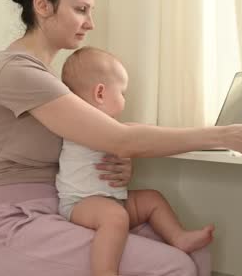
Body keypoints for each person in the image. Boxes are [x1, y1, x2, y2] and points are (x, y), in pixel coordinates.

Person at [0, 0, 242, 276]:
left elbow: (102, 140)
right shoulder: (17, 72)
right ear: (42, 5)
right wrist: (221, 135)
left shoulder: (49, 79)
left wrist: (111, 162)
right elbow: (120, 136)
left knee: (194, 255)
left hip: (52, 210)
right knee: (174, 265)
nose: (90, 22)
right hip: (7, 226)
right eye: (81, 10)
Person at [57, 46, 215, 276]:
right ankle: (104, 270)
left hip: (111, 200)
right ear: (100, 94)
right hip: (80, 203)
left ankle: (178, 237)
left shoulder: (106, 126)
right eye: (122, 93)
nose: (125, 99)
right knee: (115, 216)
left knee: (151, 198)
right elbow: (130, 133)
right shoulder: (82, 124)